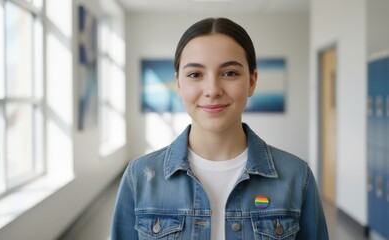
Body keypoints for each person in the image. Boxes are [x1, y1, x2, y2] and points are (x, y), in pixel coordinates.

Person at [111, 17, 328, 240]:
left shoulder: (296, 177)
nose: (212, 90)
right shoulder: (139, 178)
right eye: (195, 74)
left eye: (230, 73)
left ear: (252, 82)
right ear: (178, 84)